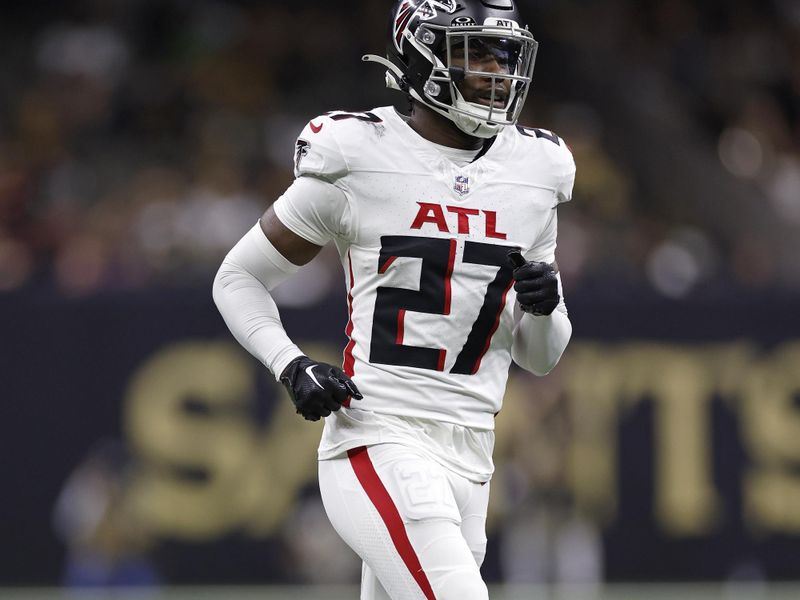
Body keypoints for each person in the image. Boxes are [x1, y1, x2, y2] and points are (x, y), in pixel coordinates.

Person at [213, 0, 575, 597]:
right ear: (423, 57)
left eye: (504, 53)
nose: (498, 70)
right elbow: (238, 278)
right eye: (477, 52)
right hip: (379, 436)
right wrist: (290, 362)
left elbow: (541, 355)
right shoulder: (361, 156)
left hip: (474, 454)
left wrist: (543, 307)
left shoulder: (534, 171)